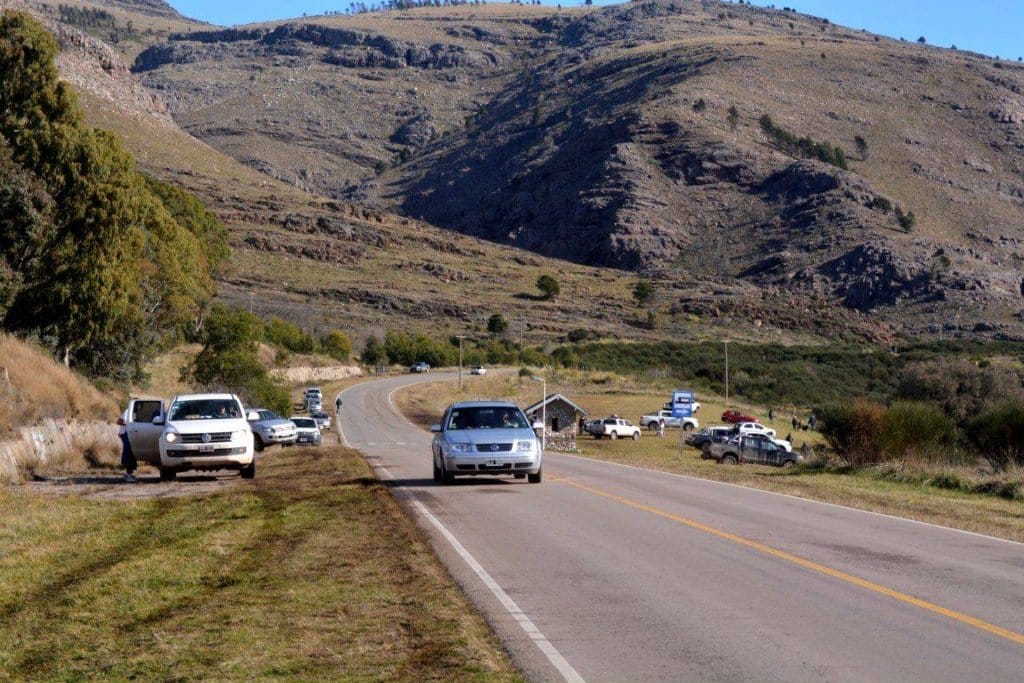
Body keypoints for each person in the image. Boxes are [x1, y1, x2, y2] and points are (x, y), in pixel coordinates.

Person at [117, 407, 137, 483]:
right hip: (126, 434)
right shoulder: (128, 410)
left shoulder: (135, 412)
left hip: (129, 433)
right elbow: (119, 421)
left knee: (130, 452)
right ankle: (128, 474)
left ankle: (129, 473)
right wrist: (128, 424)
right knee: (128, 452)